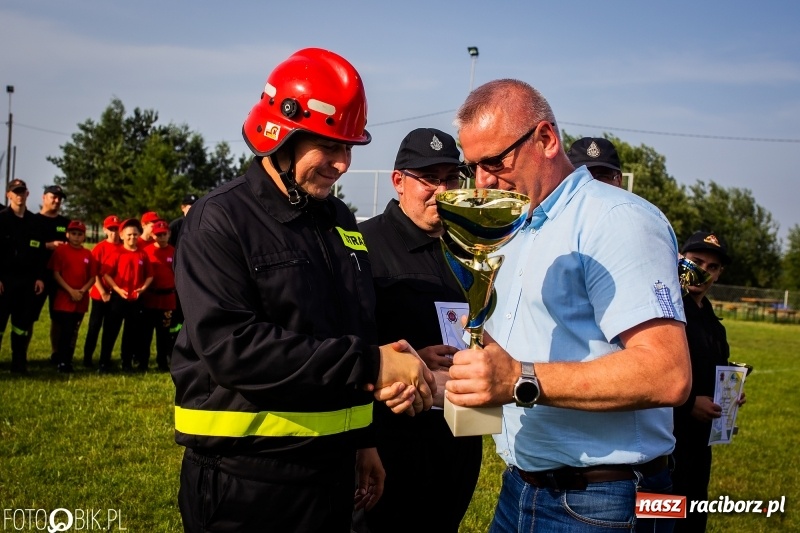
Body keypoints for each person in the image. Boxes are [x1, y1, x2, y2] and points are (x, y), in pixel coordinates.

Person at [171, 48, 435, 533]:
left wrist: (362, 437)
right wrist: (372, 365)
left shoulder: (339, 220)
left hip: (332, 473)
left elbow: (351, 327)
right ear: (280, 134)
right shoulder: (219, 220)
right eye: (329, 146)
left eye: (349, 147)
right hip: (246, 482)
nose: (343, 164)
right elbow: (234, 348)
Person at [440, 79, 691, 532]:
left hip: (606, 500)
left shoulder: (616, 220)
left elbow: (668, 373)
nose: (482, 181)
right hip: (521, 489)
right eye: (471, 166)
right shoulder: (514, 224)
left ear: (546, 139)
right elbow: (515, 350)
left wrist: (519, 379)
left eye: (494, 161)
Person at [358, 128, 482, 533]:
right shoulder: (364, 245)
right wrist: (407, 358)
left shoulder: (470, 249)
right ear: (399, 181)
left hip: (459, 436)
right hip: (393, 440)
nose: (441, 190)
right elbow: (345, 342)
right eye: (429, 178)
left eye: (451, 178)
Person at [673, 231, 744, 533]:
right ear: (680, 260)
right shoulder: (668, 311)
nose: (703, 271)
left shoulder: (713, 322)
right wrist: (689, 404)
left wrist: (730, 392)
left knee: (693, 516)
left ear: (719, 273)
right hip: (668, 444)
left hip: (701, 443)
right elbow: (651, 375)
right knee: (665, 518)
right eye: (696, 261)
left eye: (712, 267)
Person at [0, 179, 46, 373]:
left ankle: (18, 363)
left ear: (27, 194)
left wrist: (40, 277)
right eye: (15, 192)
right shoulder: (1, 219)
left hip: (27, 281)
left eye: (22, 192)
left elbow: (41, 253)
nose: (19, 195)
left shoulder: (35, 222)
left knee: (21, 325)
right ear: (8, 195)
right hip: (5, 281)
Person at [98, 218, 153, 373]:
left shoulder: (142, 254)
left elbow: (150, 275)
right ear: (122, 235)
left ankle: (126, 362)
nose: (132, 237)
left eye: (135, 234)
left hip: (135, 299)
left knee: (131, 332)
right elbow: (106, 274)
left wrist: (143, 288)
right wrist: (117, 289)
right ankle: (104, 362)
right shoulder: (117, 253)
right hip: (118, 298)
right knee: (111, 331)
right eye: (129, 234)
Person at [47, 220, 97, 373]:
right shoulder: (61, 251)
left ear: (84, 236)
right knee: (65, 330)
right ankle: (61, 360)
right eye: (73, 233)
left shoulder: (87, 254)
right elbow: (56, 273)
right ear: (67, 235)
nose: (76, 237)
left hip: (80, 298)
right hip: (65, 297)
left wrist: (82, 291)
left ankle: (68, 359)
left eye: (80, 234)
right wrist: (70, 291)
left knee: (74, 331)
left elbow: (92, 277)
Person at [32, 184, 70, 364]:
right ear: (44, 197)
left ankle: (56, 353)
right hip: (37, 275)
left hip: (59, 277)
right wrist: (47, 245)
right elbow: (28, 244)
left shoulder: (65, 223)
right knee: (29, 317)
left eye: (59, 198)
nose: (57, 200)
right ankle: (22, 354)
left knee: (58, 318)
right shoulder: (33, 220)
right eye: (53, 197)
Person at [82, 215, 121, 367]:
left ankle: (105, 359)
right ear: (105, 230)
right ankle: (87, 358)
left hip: (116, 295)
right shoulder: (100, 248)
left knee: (110, 329)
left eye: (116, 229)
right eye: (111, 229)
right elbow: (94, 273)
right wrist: (103, 291)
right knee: (94, 327)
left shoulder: (123, 247)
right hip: (99, 295)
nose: (114, 232)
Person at [140, 219, 176, 372]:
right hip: (150, 297)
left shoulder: (174, 252)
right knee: (146, 332)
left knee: (164, 333)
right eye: (158, 235)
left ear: (169, 234)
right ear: (153, 235)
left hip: (167, 299)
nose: (161, 237)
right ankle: (143, 362)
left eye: (164, 234)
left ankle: (162, 362)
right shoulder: (146, 252)